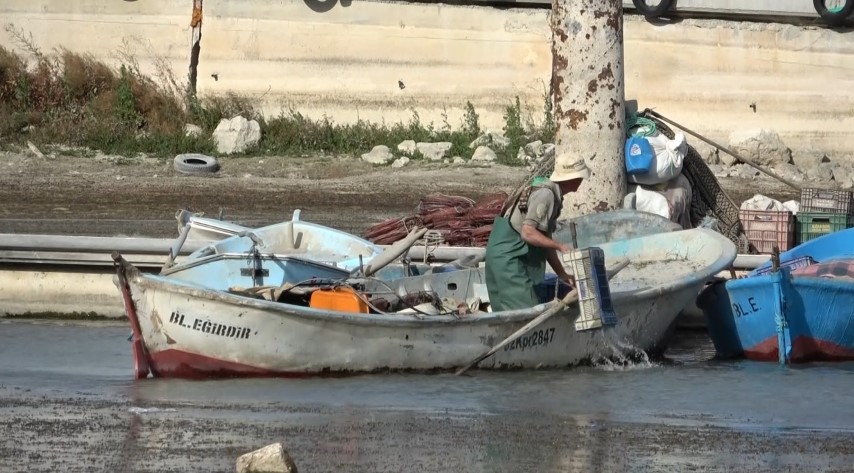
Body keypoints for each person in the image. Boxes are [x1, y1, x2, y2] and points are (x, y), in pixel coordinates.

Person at [484, 159, 590, 312]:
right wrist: (560, 246)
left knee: (510, 312)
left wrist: (562, 274)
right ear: (571, 179)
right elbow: (528, 233)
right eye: (580, 177)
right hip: (509, 262)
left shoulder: (551, 192)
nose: (581, 181)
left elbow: (544, 240)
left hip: (506, 258)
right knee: (524, 313)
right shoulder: (546, 195)